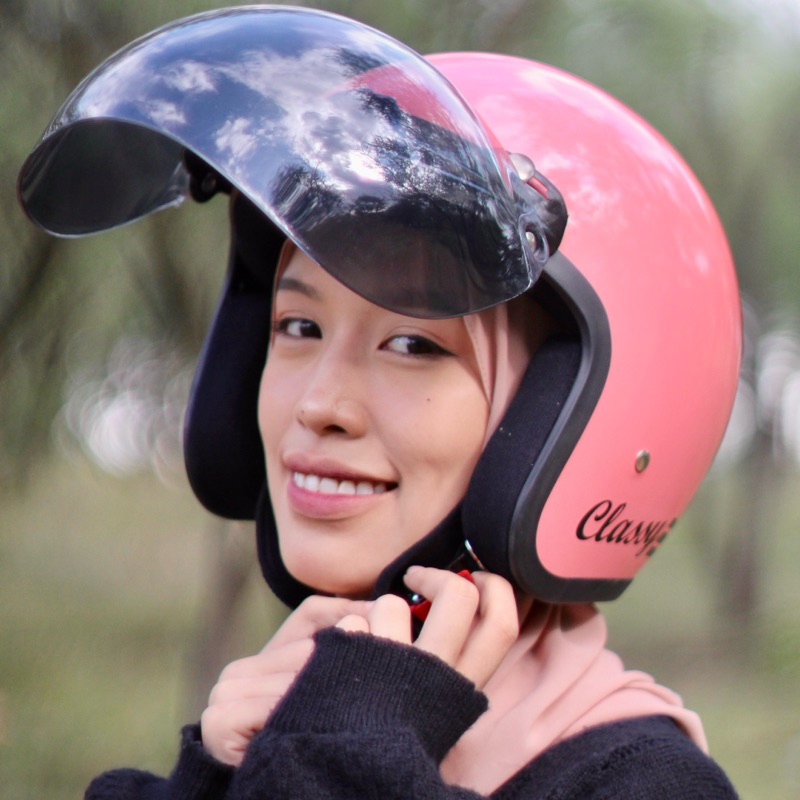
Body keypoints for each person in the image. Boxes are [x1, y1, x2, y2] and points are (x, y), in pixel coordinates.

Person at [18, 6, 742, 798]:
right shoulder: (266, 720)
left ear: (562, 419)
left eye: (413, 344)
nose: (320, 404)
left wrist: (337, 759)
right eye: (297, 326)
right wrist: (215, 778)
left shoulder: (649, 785)